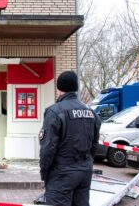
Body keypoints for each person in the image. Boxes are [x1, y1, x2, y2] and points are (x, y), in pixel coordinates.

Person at [38, 71, 101, 206]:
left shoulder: (55, 111)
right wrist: (87, 163)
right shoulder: (91, 112)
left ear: (59, 88)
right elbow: (94, 144)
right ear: (76, 88)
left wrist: (45, 174)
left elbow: (48, 149)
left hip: (62, 174)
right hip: (84, 173)